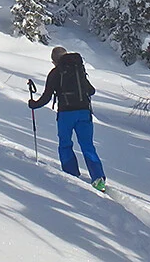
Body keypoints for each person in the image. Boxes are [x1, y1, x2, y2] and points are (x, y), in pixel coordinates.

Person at [28, 45, 107, 191]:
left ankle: (71, 174)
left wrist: (34, 104)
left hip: (66, 114)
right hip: (84, 112)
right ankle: (98, 179)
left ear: (54, 61)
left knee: (65, 143)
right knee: (88, 146)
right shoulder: (78, 69)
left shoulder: (55, 73)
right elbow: (91, 91)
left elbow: (46, 97)